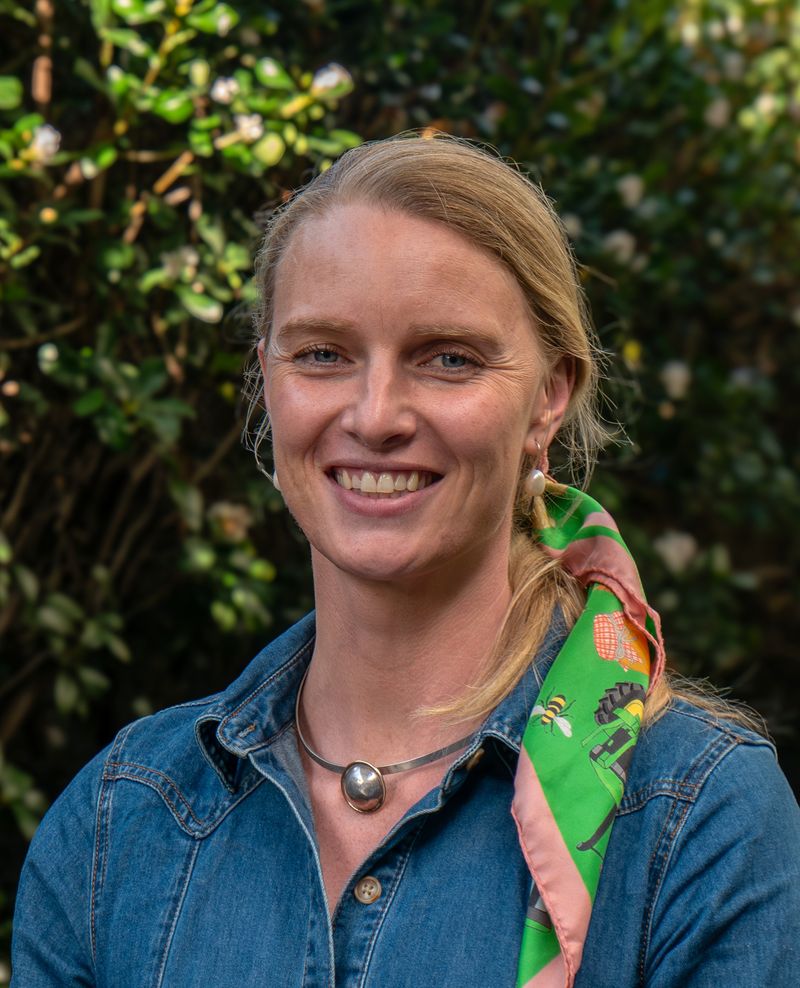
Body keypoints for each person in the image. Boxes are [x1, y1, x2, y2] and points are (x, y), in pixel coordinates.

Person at [12, 134, 800, 987]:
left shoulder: (699, 818)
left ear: (549, 396)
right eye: (323, 354)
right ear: (268, 382)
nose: (376, 415)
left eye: (448, 358)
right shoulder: (120, 822)